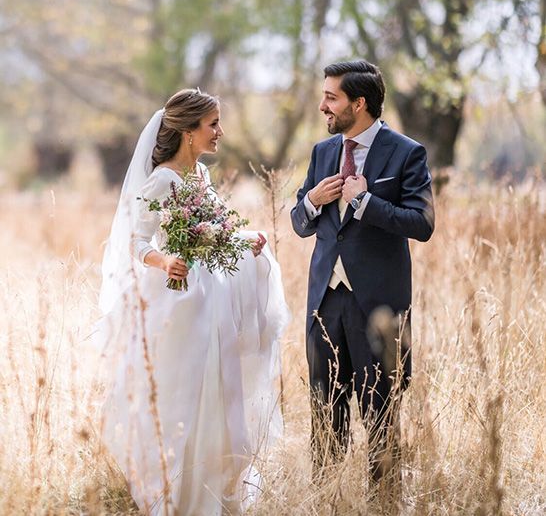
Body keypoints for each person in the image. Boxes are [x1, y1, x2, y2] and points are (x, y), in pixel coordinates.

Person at [97, 89, 289, 516]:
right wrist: (167, 260)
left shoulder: (200, 175)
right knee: (181, 391)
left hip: (212, 297)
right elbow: (137, 240)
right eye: (213, 124)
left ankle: (213, 485)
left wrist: (248, 239)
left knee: (218, 389)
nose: (220, 131)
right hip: (177, 302)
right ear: (188, 132)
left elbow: (218, 228)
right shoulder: (162, 179)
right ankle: (174, 490)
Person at [291, 60, 434, 483]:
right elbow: (300, 223)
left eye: (331, 97)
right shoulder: (322, 153)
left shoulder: (407, 152)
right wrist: (313, 201)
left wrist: (366, 203)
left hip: (378, 306)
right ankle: (328, 498)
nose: (322, 106)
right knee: (324, 410)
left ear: (360, 102)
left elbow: (421, 224)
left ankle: (384, 501)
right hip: (324, 303)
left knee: (380, 414)